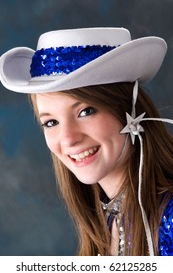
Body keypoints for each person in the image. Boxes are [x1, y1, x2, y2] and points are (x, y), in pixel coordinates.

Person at [1, 27, 173, 256]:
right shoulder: (103, 220)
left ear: (129, 108)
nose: (69, 139)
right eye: (51, 122)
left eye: (86, 111)